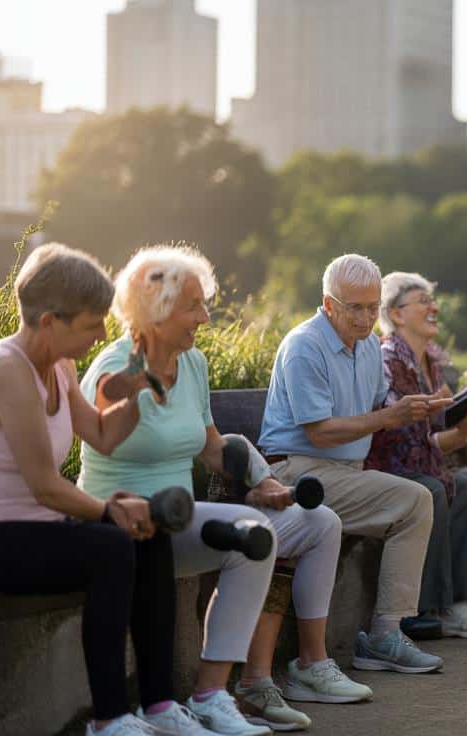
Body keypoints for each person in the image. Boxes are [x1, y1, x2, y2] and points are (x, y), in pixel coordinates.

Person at [79, 245, 365, 735]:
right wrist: (135, 380)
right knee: (252, 535)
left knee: (282, 530)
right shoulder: (114, 363)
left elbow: (212, 448)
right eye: (193, 306)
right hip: (127, 523)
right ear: (157, 309)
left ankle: (213, 694)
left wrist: (260, 481)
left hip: (178, 518)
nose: (205, 317)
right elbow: (105, 398)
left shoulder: (192, 364)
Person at [0, 243, 200, 736]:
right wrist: (107, 510)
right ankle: (108, 718)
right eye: (89, 324)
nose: (101, 334)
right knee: (111, 545)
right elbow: (44, 486)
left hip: (38, 531)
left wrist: (140, 389)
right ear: (48, 322)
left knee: (151, 533)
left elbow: (100, 434)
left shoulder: (57, 365)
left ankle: (160, 705)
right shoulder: (7, 370)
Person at [259, 253, 446, 676]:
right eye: (355, 308)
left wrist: (418, 407)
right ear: (328, 305)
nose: (366, 319)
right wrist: (387, 417)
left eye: (372, 307)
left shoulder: (366, 347)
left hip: (344, 474)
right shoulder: (305, 345)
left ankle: (384, 635)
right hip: (297, 473)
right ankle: (383, 636)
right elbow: (320, 432)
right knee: (416, 500)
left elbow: (380, 405)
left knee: (422, 497)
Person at [365, 271, 467, 639]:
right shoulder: (390, 359)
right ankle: (439, 607)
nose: (433, 307)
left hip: (429, 462)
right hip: (395, 466)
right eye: (422, 301)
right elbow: (405, 443)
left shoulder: (432, 362)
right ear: (396, 314)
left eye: (431, 299)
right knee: (449, 489)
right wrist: (465, 430)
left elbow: (434, 437)